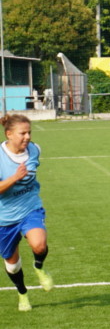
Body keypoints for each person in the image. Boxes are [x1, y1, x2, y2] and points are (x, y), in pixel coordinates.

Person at [1, 114, 54, 312]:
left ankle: (39, 268)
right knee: (13, 265)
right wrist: (15, 177)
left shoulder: (34, 150)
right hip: (4, 218)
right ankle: (22, 293)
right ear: (9, 134)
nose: (27, 137)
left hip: (30, 208)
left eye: (29, 132)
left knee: (39, 245)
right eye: (22, 133)